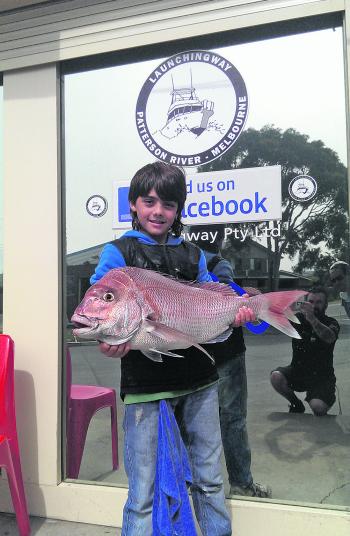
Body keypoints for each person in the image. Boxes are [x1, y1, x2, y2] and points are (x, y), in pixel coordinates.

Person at [90, 162, 254, 536]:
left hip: (201, 383)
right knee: (142, 489)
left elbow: (216, 296)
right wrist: (107, 339)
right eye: (149, 201)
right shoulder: (118, 253)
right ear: (133, 204)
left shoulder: (195, 255)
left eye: (168, 204)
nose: (158, 211)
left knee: (209, 479)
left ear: (179, 210)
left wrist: (238, 311)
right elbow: (100, 302)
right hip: (145, 390)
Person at [188, 224, 271, 499]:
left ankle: (192, 485)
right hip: (228, 352)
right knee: (232, 419)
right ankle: (242, 484)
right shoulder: (218, 262)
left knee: (192, 423)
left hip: (198, 352)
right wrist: (242, 296)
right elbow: (223, 295)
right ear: (219, 237)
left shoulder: (184, 261)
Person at [270, 287, 340, 416]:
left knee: (318, 408)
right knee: (276, 377)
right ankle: (296, 404)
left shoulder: (331, 322)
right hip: (299, 371)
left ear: (326, 305)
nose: (314, 305)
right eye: (311, 302)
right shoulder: (298, 319)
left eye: (319, 302)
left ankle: (326, 396)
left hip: (322, 377)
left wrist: (312, 319)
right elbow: (277, 317)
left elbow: (329, 337)